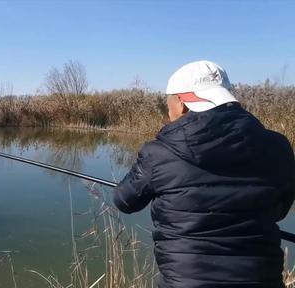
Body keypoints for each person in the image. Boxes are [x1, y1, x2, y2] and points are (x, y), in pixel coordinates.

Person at [113, 60, 295, 288]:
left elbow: (124, 201)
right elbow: (280, 210)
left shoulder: (159, 152)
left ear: (182, 103)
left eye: (168, 102)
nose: (168, 110)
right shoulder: (278, 146)